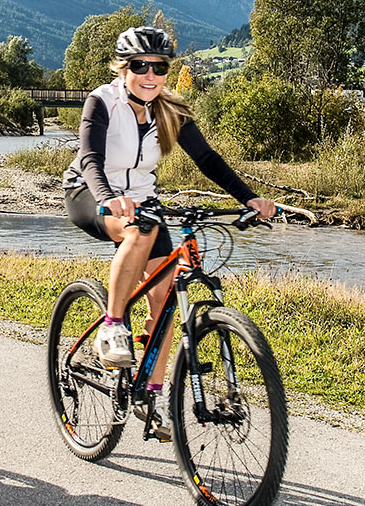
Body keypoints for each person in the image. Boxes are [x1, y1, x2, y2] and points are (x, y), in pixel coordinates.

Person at [62, 26, 276, 420]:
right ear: (124, 68)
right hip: (89, 193)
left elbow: (208, 160)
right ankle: (111, 326)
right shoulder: (102, 102)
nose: (150, 75)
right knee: (140, 231)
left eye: (159, 68)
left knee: (163, 297)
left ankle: (150, 394)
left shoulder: (171, 109)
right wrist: (109, 198)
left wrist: (249, 197)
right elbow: (90, 158)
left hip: (142, 200)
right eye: (140, 66)